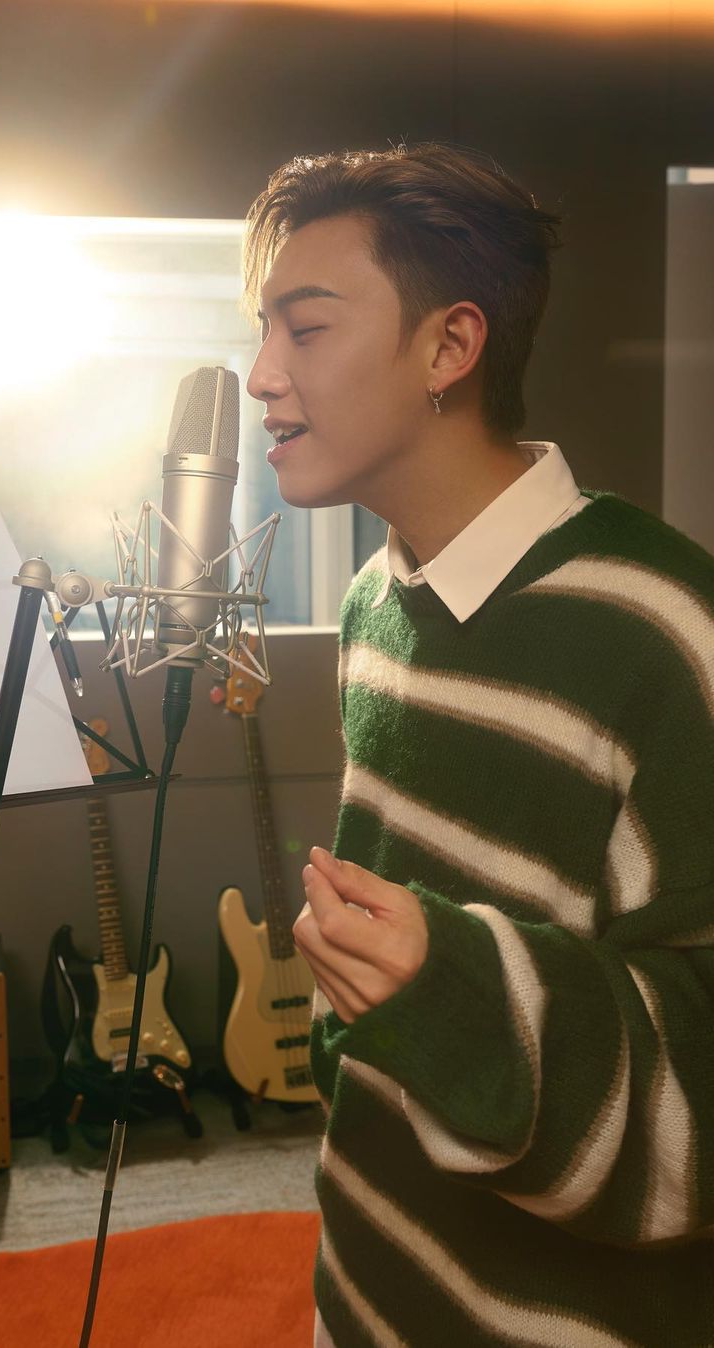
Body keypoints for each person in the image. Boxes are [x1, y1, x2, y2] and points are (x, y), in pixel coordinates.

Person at [243, 142, 714, 1347]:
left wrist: (450, 986)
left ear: (450, 346)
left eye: (307, 329)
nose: (260, 376)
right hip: (368, 1273)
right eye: (263, 332)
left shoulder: (664, 629)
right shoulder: (373, 602)